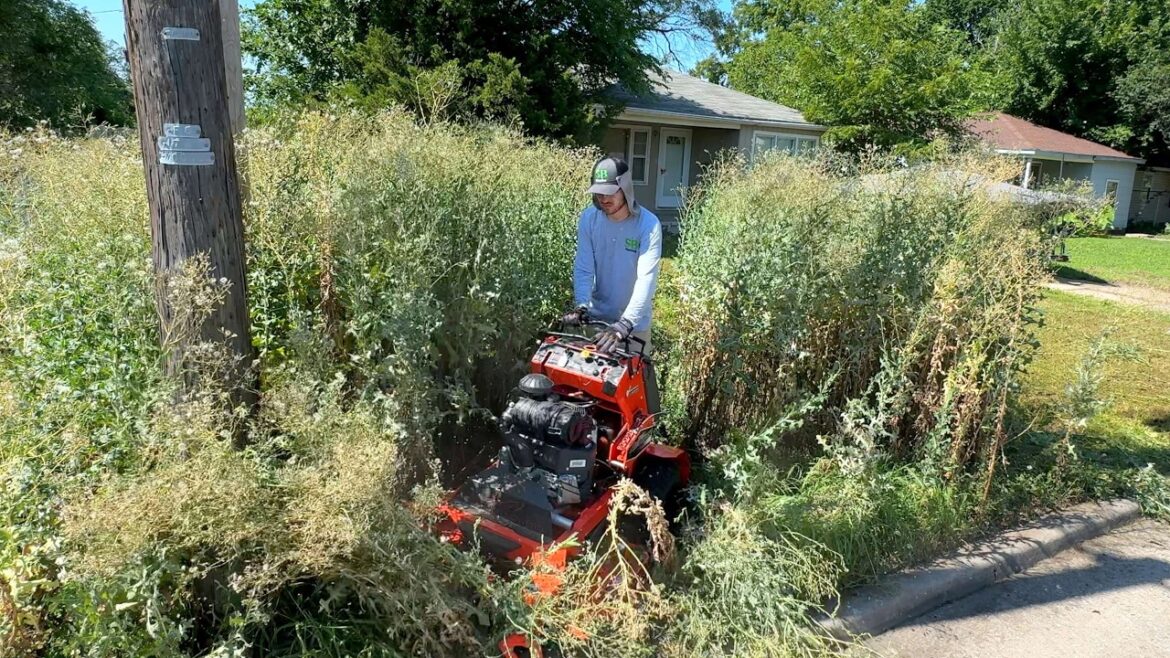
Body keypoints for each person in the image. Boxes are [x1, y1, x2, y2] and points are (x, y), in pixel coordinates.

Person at [562, 156, 662, 411]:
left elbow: (646, 280)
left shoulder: (648, 225)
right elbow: (584, 266)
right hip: (599, 320)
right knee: (592, 393)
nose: (604, 200)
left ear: (625, 188)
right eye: (599, 194)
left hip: (633, 326)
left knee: (634, 401)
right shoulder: (589, 219)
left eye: (610, 193)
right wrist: (582, 306)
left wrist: (625, 324)